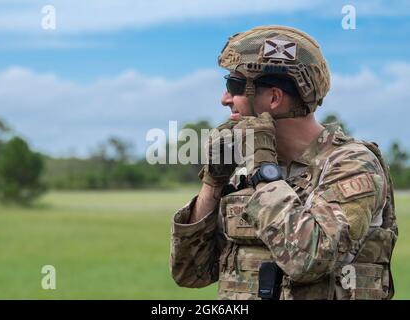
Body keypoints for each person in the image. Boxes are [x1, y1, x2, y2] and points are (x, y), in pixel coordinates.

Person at [170, 25, 398, 300]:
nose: (225, 99)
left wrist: (262, 170)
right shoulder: (247, 171)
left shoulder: (352, 164)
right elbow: (191, 273)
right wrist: (213, 183)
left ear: (274, 98)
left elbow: (311, 260)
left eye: (235, 86)